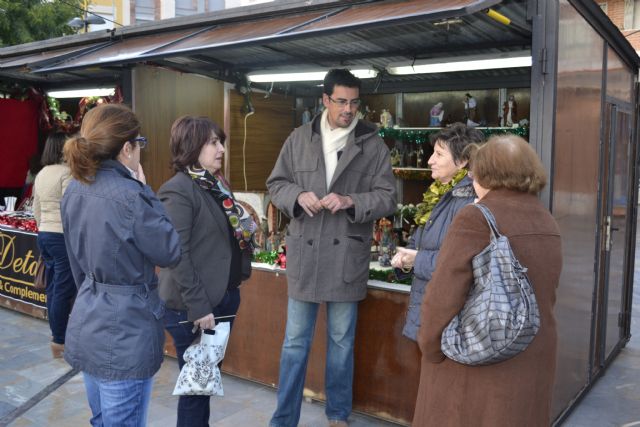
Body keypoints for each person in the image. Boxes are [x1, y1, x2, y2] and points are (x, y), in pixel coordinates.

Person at [267, 68, 396, 427]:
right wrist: (297, 195)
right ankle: (283, 419)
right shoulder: (298, 138)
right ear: (324, 100)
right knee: (294, 344)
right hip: (306, 254)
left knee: (341, 343)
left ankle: (337, 414)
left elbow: (389, 198)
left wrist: (351, 200)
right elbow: (276, 183)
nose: (348, 110)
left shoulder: (373, 144)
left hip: (345, 256)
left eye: (355, 103)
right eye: (341, 101)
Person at [412, 134, 562, 426]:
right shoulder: (547, 221)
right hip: (534, 358)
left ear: (486, 173)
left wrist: (430, 348)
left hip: (475, 367)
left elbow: (442, 297)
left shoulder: (476, 218)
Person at [61, 104, 181, 427]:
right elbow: (170, 250)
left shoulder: (74, 188)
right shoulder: (131, 196)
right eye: (139, 143)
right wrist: (145, 189)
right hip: (127, 333)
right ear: (127, 148)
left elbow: (76, 265)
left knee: (101, 419)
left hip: (89, 320)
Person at [158, 116, 256, 427]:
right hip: (195, 307)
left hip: (222, 300)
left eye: (221, 142)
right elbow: (178, 254)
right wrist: (199, 305)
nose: (221, 149)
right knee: (196, 389)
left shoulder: (214, 185)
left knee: (203, 383)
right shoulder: (178, 190)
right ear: (192, 147)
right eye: (213, 142)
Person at [392, 123, 483, 342]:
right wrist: (405, 259)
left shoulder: (469, 203)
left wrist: (417, 259)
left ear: (462, 161)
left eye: (439, 154)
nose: (430, 160)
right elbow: (418, 244)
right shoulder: (439, 195)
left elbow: (461, 264)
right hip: (431, 312)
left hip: (451, 320)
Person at [33, 132, 74, 358]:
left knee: (52, 288)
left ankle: (56, 335)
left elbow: (36, 209)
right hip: (61, 237)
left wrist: (43, 227)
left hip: (45, 235)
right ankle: (60, 340)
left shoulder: (41, 174)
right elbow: (71, 209)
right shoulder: (67, 173)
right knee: (62, 289)